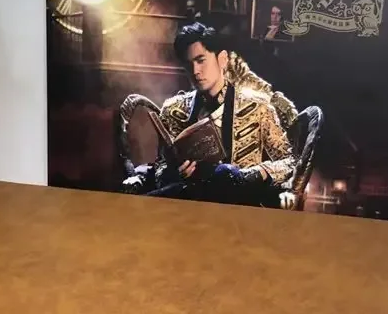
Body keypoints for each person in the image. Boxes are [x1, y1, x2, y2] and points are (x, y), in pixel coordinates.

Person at [124, 22, 295, 206]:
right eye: (188, 64)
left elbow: (290, 163)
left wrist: (256, 173)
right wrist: (174, 172)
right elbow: (161, 166)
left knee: (224, 175)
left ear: (222, 59)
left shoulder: (257, 106)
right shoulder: (173, 109)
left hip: (239, 206)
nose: (195, 71)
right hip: (188, 204)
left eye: (201, 60)